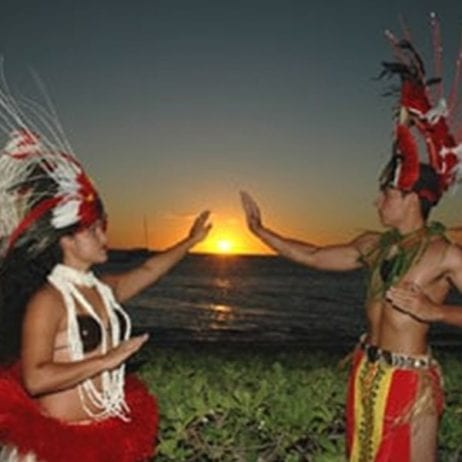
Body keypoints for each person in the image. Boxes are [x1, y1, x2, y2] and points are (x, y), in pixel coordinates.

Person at [240, 16, 462, 462]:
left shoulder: (444, 254)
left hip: (409, 383)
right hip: (367, 372)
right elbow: (317, 256)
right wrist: (261, 232)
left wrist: (434, 311)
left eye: (384, 193)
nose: (376, 203)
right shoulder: (372, 245)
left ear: (410, 197)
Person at [0, 82, 211, 461]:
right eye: (95, 229)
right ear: (67, 239)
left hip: (104, 441)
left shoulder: (100, 290)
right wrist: (107, 360)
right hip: (56, 450)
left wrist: (190, 241)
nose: (104, 236)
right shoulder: (48, 301)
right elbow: (35, 378)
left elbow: (149, 268)